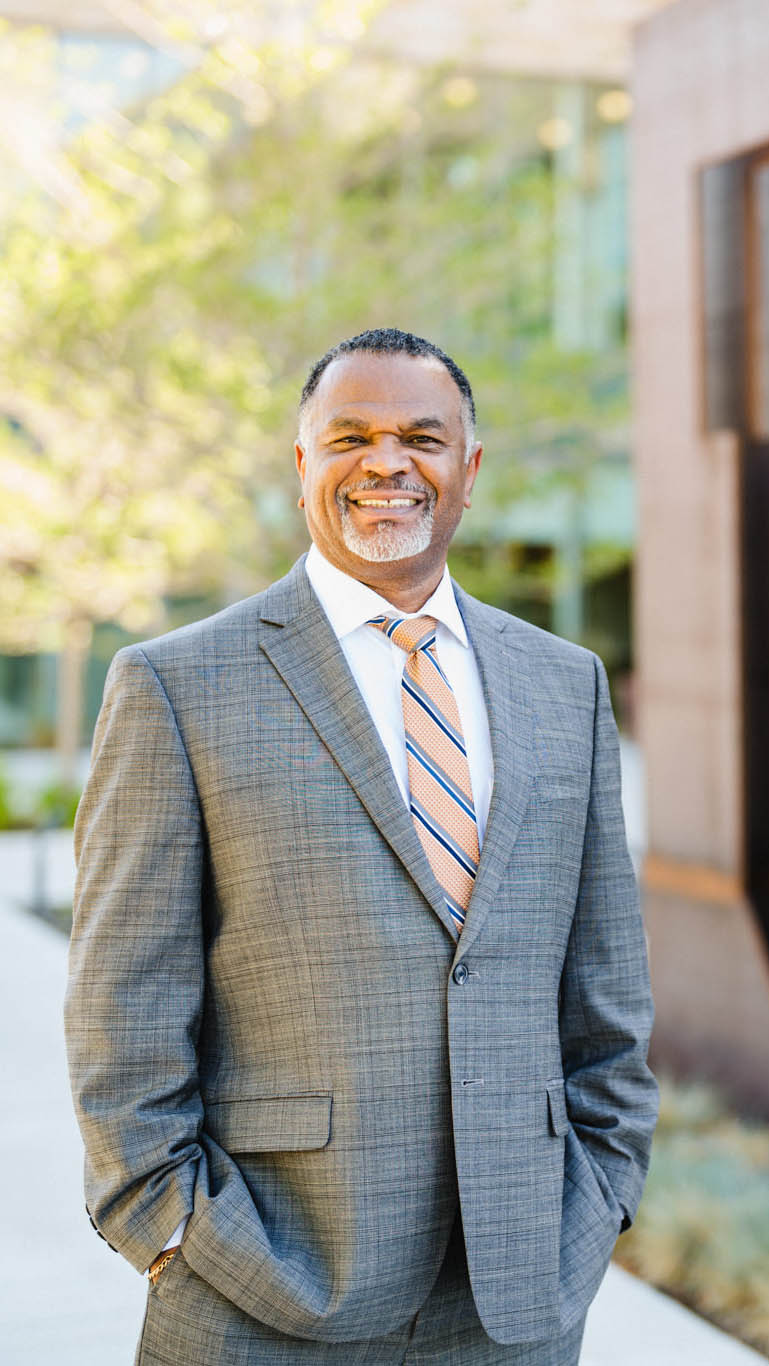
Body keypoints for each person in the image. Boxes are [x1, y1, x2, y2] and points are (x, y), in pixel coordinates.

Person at [65, 328, 658, 1364]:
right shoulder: (176, 686)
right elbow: (121, 1005)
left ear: (467, 472)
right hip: (260, 1288)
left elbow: (605, 990)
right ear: (303, 469)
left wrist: (600, 1200)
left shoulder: (566, 686)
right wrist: (167, 1232)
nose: (387, 461)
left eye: (422, 436)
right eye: (351, 436)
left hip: (515, 1301)